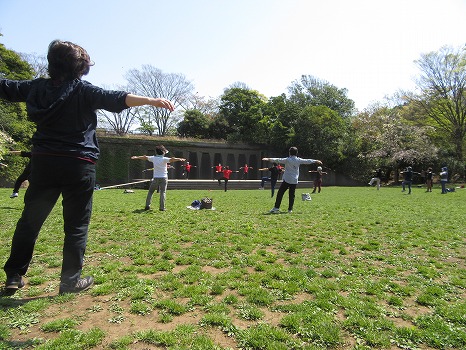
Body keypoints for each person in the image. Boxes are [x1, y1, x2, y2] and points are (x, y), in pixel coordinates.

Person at [0, 39, 175, 296]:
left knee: (30, 221)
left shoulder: (35, 88)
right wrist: (151, 100)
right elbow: (117, 98)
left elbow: (5, 87)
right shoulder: (83, 91)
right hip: (78, 165)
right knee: (76, 225)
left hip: (45, 162)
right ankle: (70, 281)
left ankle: (14, 274)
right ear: (81, 66)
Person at [263, 147, 322, 213]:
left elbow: (278, 159)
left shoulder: (287, 160)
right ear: (296, 153)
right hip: (294, 180)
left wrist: (268, 159)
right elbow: (307, 161)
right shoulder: (298, 160)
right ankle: (290, 209)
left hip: (287, 179)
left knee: (280, 193)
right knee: (292, 194)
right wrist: (316, 161)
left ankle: (276, 208)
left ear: (289, 153)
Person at [131, 145, 185, 210]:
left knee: (150, 192)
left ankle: (147, 205)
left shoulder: (153, 158)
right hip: (164, 178)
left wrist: (137, 157)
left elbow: (144, 157)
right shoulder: (164, 159)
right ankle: (162, 208)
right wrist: (179, 159)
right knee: (163, 192)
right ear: (163, 152)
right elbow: (172, 159)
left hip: (156, 178)